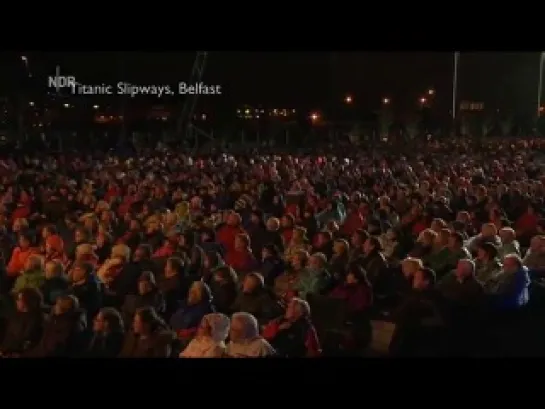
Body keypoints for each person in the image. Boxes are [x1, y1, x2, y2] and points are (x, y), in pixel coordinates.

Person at [0, 288, 45, 357]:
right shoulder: (16, 315)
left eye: (19, 299)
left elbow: (23, 340)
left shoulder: (35, 320)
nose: (17, 301)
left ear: (27, 301)